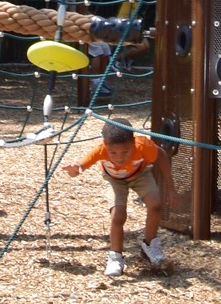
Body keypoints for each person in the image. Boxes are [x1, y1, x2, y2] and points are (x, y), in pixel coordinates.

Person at [64, 118, 173, 276]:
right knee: (118, 215)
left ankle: (150, 246)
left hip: (139, 174)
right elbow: (81, 166)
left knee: (155, 204)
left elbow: (161, 156)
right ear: (105, 145)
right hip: (114, 179)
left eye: (126, 152)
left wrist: (171, 188)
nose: (119, 157)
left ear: (133, 143)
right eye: (113, 153)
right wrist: (75, 169)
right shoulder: (100, 150)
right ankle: (115, 256)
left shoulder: (142, 145)